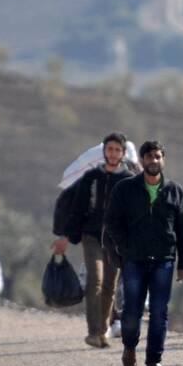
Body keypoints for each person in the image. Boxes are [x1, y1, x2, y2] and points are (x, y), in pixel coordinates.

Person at [104, 140, 183, 366]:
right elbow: (112, 222)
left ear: (164, 160)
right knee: (132, 310)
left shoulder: (175, 191)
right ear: (142, 161)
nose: (154, 161)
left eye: (158, 156)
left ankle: (154, 361)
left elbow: (182, 229)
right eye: (149, 157)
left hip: (164, 260)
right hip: (134, 260)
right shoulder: (125, 189)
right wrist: (124, 246)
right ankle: (130, 347)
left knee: (160, 312)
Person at [54, 132, 135, 348]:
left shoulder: (128, 180)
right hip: (91, 236)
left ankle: (103, 329)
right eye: (110, 149)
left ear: (123, 154)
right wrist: (65, 235)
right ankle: (93, 331)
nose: (113, 153)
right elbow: (77, 209)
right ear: (104, 152)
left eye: (117, 150)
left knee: (110, 284)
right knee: (95, 280)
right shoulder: (90, 178)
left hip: (116, 240)